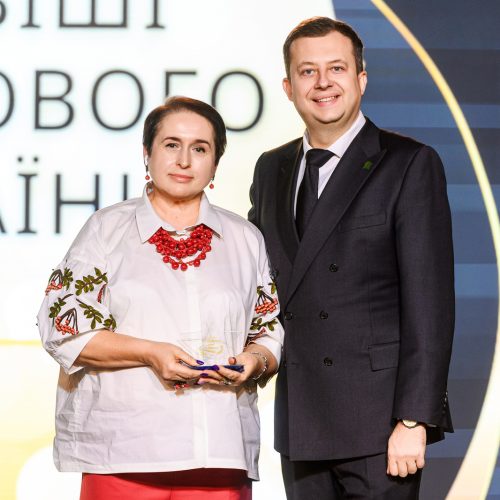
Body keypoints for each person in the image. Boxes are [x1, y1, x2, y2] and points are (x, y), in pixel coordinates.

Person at [248, 17, 454, 499]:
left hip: (381, 425)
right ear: (288, 87)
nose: (323, 83)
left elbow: (430, 303)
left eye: (336, 68)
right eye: (308, 71)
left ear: (361, 79)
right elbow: (256, 280)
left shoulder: (407, 163)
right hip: (302, 418)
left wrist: (414, 419)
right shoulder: (271, 168)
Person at [38, 96, 283, 500]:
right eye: (171, 145)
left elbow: (268, 331)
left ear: (215, 163)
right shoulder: (106, 230)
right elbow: (64, 331)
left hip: (219, 453)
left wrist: (254, 361)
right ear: (147, 153)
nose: (184, 160)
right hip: (123, 455)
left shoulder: (244, 238)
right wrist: (151, 353)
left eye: (200, 148)